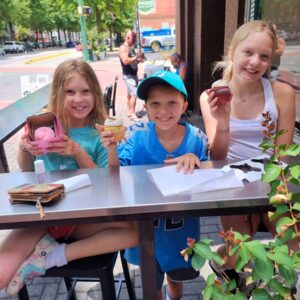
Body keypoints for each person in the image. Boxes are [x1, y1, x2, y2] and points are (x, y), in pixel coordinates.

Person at [0, 58, 138, 296]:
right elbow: (26, 170)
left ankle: (49, 257)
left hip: (79, 222)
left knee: (136, 231)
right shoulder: (46, 125)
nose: (78, 99)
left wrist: (77, 152)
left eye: (85, 91)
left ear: (95, 93)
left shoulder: (100, 132)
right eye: (70, 92)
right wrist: (25, 148)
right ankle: (45, 251)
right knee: (2, 273)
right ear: (58, 94)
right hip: (41, 220)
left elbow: (108, 184)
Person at [199, 20, 295, 285]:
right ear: (233, 51)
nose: (255, 62)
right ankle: (217, 259)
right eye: (248, 52)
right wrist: (224, 123)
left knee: (294, 245)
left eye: (264, 56)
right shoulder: (211, 96)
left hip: (272, 181)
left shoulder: (282, 94)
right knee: (238, 254)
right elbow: (217, 159)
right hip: (231, 183)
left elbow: (284, 154)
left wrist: (261, 197)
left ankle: (269, 277)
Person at [97, 70, 208, 300]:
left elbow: (210, 178)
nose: (163, 111)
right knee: (151, 284)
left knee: (176, 281)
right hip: (144, 232)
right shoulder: (135, 135)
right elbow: (115, 173)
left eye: (171, 103)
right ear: (145, 106)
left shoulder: (197, 138)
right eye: (155, 103)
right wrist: (111, 147)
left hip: (182, 233)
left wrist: (196, 162)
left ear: (184, 104)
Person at [119, 29, 145, 121]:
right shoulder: (124, 48)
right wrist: (136, 57)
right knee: (134, 94)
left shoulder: (130, 48)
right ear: (128, 37)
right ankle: (133, 114)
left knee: (130, 94)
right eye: (133, 39)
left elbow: (132, 61)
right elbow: (125, 60)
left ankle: (130, 111)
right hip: (128, 75)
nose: (134, 41)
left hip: (133, 74)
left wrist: (138, 60)